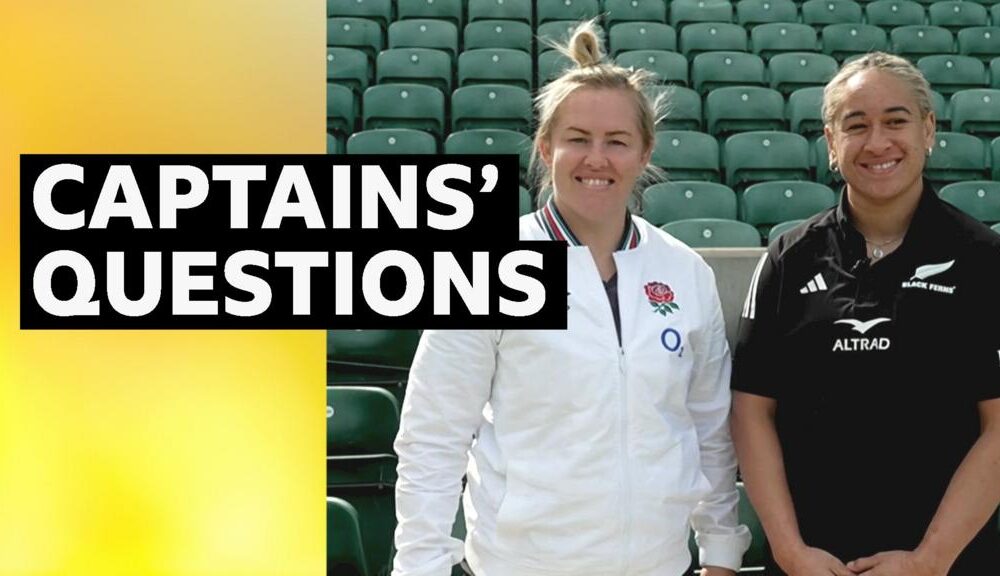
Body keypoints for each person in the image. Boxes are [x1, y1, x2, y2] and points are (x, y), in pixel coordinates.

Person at [391, 20, 750, 576]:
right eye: (577, 140)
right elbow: (432, 435)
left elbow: (708, 429)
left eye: (616, 142)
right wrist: (420, 565)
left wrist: (721, 548)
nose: (596, 159)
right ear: (545, 147)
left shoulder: (685, 272)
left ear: (645, 151)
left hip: (660, 566)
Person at [731, 51, 1000, 576]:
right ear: (831, 143)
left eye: (895, 121)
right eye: (856, 125)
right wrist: (789, 550)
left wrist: (930, 559)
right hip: (814, 563)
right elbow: (750, 409)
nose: (878, 143)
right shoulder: (789, 257)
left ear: (928, 130)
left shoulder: (983, 258)